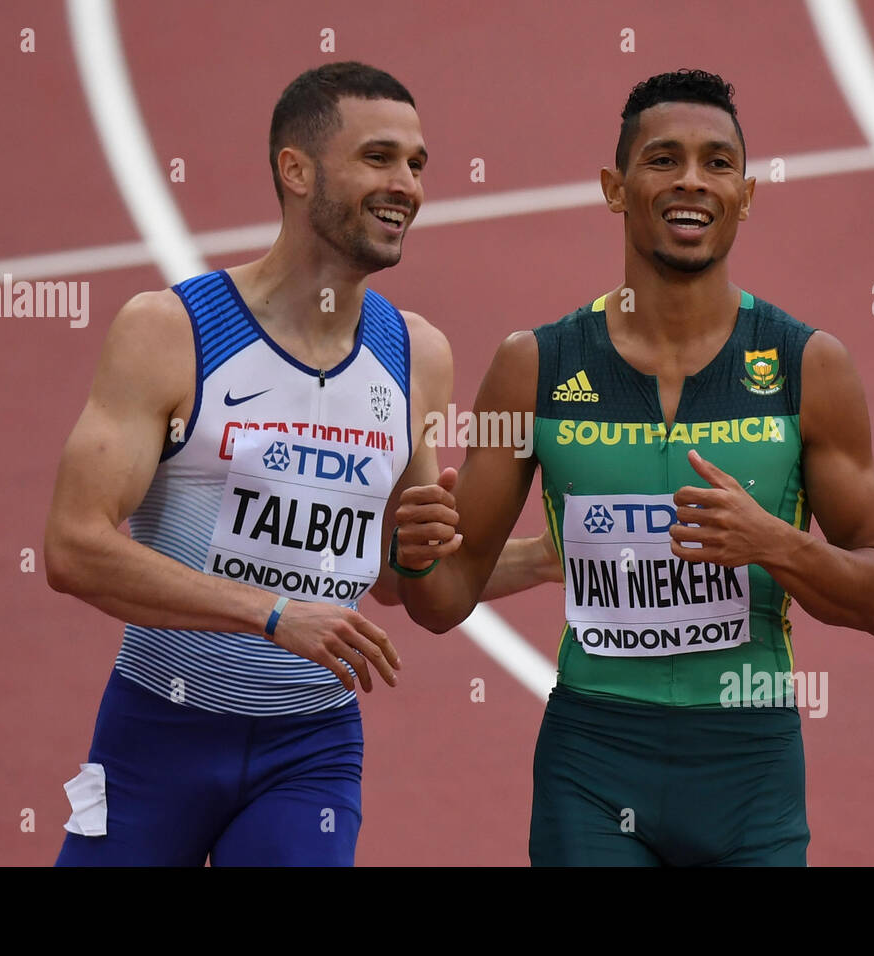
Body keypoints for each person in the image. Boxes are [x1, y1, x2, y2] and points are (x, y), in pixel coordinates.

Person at [44, 61, 557, 867]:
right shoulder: (169, 332)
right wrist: (274, 613)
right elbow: (74, 549)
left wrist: (541, 558)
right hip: (159, 730)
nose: (407, 185)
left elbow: (394, 584)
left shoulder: (414, 354)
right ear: (296, 169)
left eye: (418, 165)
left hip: (310, 751)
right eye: (380, 158)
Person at [393, 69, 874, 866]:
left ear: (746, 192)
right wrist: (416, 552)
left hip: (751, 766)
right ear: (615, 187)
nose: (692, 181)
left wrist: (775, 543)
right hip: (593, 758)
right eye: (663, 159)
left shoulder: (811, 366)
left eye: (718, 163)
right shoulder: (533, 366)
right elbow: (444, 601)